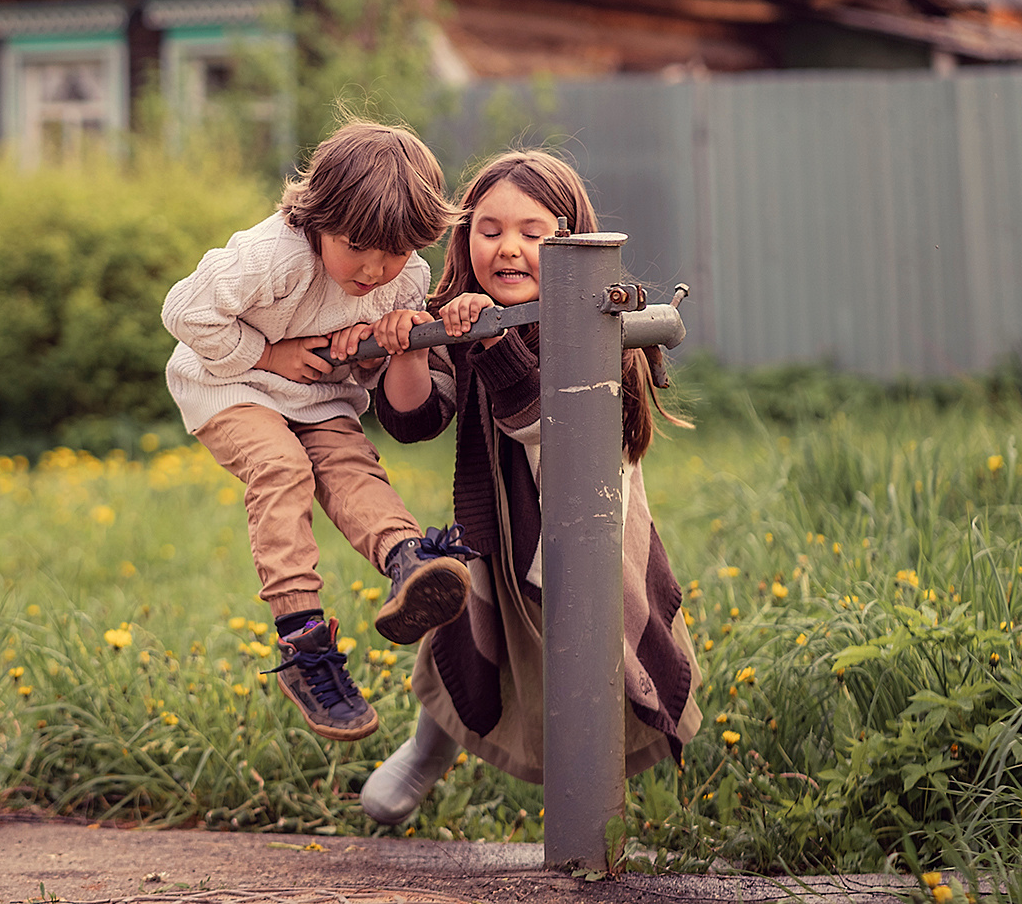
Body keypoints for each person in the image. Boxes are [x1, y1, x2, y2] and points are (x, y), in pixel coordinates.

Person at [359, 150, 703, 821]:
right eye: (488, 230)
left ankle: (598, 803)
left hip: (586, 537)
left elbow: (547, 426)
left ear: (570, 238)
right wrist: (409, 347)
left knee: (599, 651)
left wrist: (491, 342)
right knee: (464, 637)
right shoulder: (461, 314)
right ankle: (428, 749)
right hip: (497, 526)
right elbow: (416, 418)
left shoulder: (597, 320)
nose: (508, 248)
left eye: (531, 232)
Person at [161, 121, 473, 743]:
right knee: (283, 468)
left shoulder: (404, 279)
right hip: (233, 386)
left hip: (320, 395)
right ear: (320, 217)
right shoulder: (272, 255)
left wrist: (374, 346)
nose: (375, 269)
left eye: (395, 253)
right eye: (358, 247)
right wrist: (268, 355)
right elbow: (185, 310)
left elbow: (370, 367)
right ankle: (303, 641)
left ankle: (408, 560)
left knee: (352, 466)